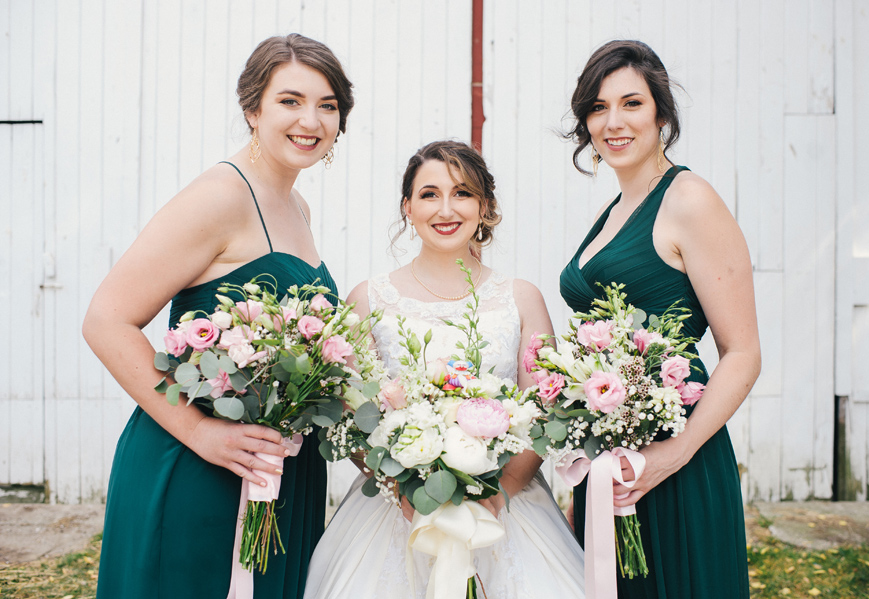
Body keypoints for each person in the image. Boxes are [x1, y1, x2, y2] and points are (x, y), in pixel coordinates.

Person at [82, 34, 354, 599]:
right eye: (290, 100)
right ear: (252, 108)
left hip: (276, 470)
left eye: (328, 105)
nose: (311, 119)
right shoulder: (220, 197)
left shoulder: (296, 206)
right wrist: (200, 431)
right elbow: (106, 320)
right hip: (199, 464)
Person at [303, 141, 584, 598]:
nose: (446, 209)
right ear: (407, 207)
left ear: (485, 206)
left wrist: (499, 494)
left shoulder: (521, 297)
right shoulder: (368, 298)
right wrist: (406, 492)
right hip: (398, 505)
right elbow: (354, 417)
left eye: (463, 193)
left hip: (506, 500)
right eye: (430, 194)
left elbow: (545, 411)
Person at [559, 40, 761, 598]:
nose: (613, 122)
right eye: (597, 108)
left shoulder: (690, 199)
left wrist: (672, 455)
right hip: (613, 454)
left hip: (677, 454)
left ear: (662, 114)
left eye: (631, 103)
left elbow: (743, 353)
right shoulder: (616, 210)